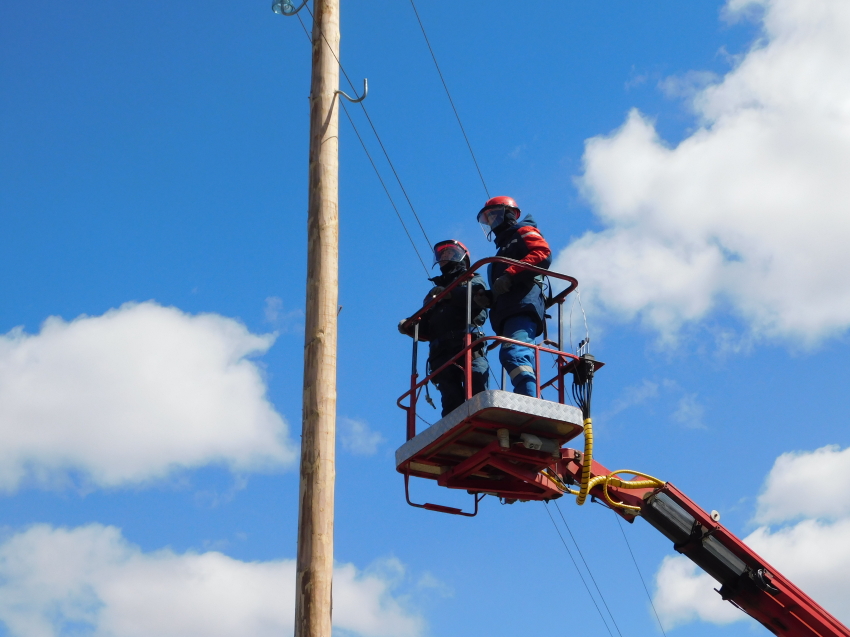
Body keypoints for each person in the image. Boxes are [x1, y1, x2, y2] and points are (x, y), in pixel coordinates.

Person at [398, 240, 490, 417]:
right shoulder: (433, 294)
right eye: (441, 255)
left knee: (477, 382)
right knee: (450, 398)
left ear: (461, 256)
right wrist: (411, 325)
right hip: (441, 352)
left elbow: (478, 300)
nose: (444, 258)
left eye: (449, 253)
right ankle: (456, 427)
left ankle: (484, 419)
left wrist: (449, 294)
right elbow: (427, 325)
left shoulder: (471, 278)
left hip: (466, 343)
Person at [476, 196, 551, 397]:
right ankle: (531, 398)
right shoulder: (501, 251)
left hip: (523, 306)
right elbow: (505, 286)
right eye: (487, 218)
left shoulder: (524, 232)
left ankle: (530, 402)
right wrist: (490, 297)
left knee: (514, 354)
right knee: (512, 354)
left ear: (509, 213)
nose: (491, 221)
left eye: (494, 215)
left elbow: (542, 253)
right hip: (508, 310)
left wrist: (510, 273)